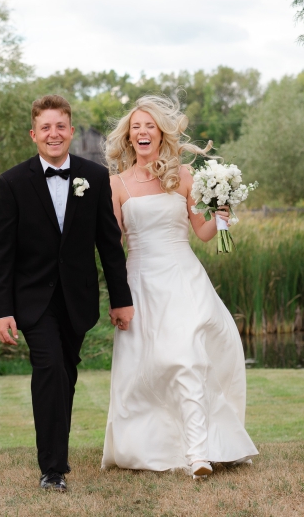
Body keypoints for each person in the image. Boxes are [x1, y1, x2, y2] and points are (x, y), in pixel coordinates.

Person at [99, 94, 257, 477]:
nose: (142, 132)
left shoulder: (183, 177)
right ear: (128, 137)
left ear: (160, 133)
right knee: (148, 366)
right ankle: (151, 445)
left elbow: (202, 234)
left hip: (183, 278)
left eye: (149, 126)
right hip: (141, 282)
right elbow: (112, 244)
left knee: (187, 357)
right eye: (136, 127)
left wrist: (222, 215)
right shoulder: (116, 184)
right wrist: (116, 296)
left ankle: (199, 454)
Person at [0, 94, 133, 492]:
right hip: (32, 301)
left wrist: (121, 299)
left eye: (60, 126)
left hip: (78, 300)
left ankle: (55, 452)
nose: (53, 134)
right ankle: (53, 469)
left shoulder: (95, 176)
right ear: (33, 134)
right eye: (45, 127)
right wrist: (3, 311)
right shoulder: (12, 182)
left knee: (65, 376)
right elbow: (1, 255)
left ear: (71, 131)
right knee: (50, 370)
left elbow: (108, 244)